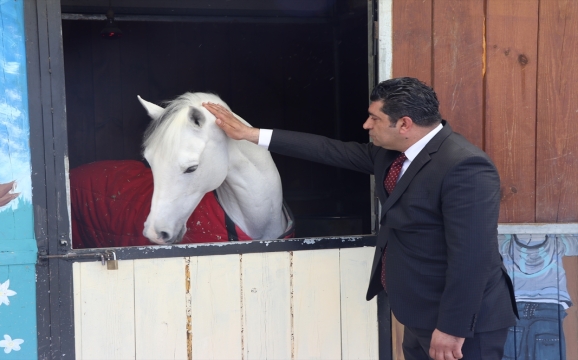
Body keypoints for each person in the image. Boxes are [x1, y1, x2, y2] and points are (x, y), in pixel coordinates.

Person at [204, 77, 518, 360]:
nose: (367, 125)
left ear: (404, 124)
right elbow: (328, 150)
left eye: (375, 118)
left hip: (464, 326)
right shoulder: (390, 152)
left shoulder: (465, 167)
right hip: (420, 313)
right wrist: (251, 134)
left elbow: (472, 257)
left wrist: (452, 327)